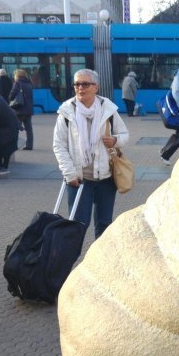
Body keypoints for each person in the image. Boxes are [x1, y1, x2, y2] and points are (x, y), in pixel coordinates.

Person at [53, 69, 129, 239]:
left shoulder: (108, 109)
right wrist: (69, 173)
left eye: (85, 84)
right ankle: (71, 262)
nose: (80, 87)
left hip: (106, 179)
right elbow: (58, 145)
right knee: (77, 226)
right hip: (79, 180)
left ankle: (101, 263)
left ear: (96, 87)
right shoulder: (66, 112)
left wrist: (115, 140)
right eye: (77, 84)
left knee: (104, 225)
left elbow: (125, 135)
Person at [10, 69, 34, 150]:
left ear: (17, 75)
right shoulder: (29, 83)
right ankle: (29, 145)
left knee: (15, 128)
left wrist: (10, 98)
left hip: (19, 109)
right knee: (29, 129)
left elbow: (12, 94)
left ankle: (14, 145)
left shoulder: (17, 83)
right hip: (29, 109)